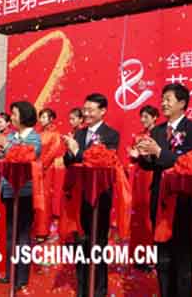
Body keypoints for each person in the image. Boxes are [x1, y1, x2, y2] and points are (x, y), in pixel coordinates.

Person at [133, 83, 192, 297]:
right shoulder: (157, 130)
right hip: (160, 199)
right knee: (162, 256)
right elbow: (151, 165)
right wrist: (144, 157)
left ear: (182, 103)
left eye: (168, 99)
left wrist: (159, 153)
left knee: (183, 257)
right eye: (162, 99)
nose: (163, 103)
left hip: (183, 200)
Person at [63, 93, 120, 297]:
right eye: (84, 110)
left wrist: (77, 151)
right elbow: (69, 162)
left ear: (102, 111)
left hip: (100, 198)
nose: (86, 114)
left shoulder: (111, 135)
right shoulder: (79, 133)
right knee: (81, 243)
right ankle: (82, 289)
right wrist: (70, 151)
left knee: (98, 244)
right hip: (79, 196)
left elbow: (102, 162)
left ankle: (98, 291)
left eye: (90, 110)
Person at [0, 101, 41, 291]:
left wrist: (6, 146)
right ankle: (9, 273)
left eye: (14, 114)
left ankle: (21, 277)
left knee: (22, 234)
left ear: (24, 116)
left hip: (24, 192)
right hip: (7, 189)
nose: (11, 118)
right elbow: (2, 160)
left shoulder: (34, 137)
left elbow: (27, 156)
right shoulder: (11, 136)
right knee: (8, 234)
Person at [128, 105, 160, 272]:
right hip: (139, 177)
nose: (143, 120)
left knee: (150, 216)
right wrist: (133, 156)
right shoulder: (139, 136)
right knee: (139, 216)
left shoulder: (160, 135)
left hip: (153, 177)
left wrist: (143, 155)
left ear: (155, 117)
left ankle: (151, 256)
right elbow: (134, 159)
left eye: (146, 116)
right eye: (142, 117)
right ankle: (138, 255)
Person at [35, 108, 63, 241]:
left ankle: (43, 231)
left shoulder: (55, 134)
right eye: (41, 117)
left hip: (47, 171)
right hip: (37, 169)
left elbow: (53, 152)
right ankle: (36, 229)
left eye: (44, 117)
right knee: (37, 199)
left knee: (45, 200)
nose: (41, 120)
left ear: (51, 119)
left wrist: (42, 164)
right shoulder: (38, 133)